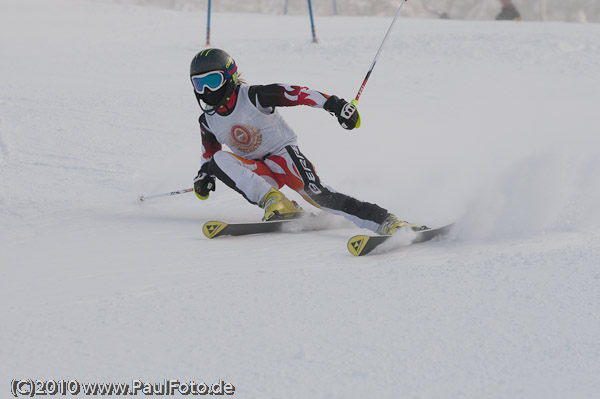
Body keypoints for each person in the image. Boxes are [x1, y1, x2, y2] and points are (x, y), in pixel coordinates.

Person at [190, 48, 424, 235]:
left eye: (213, 80)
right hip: (259, 172)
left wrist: (335, 105)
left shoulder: (254, 95)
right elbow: (209, 157)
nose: (207, 90)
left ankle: (386, 221)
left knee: (318, 195)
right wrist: (204, 176)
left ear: (230, 76)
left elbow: (298, 93)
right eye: (199, 84)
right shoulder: (208, 121)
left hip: (283, 156)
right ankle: (277, 203)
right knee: (219, 160)